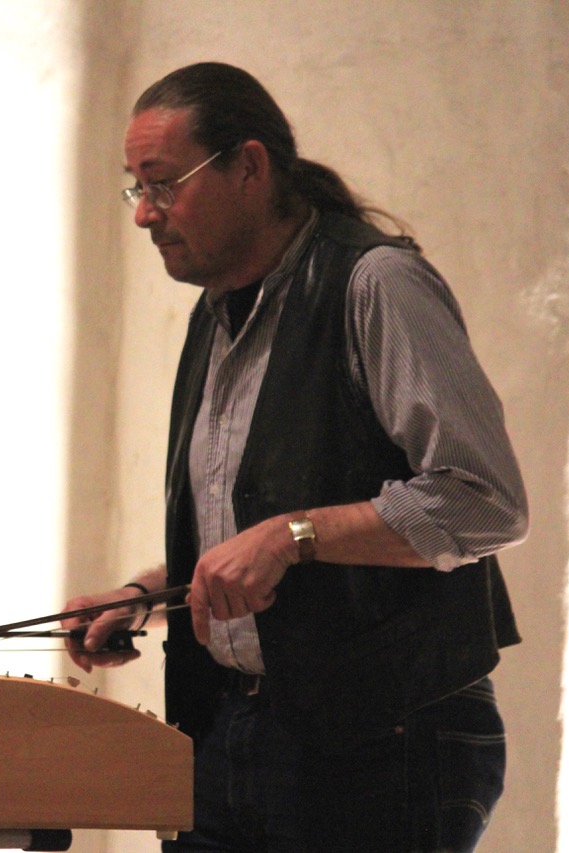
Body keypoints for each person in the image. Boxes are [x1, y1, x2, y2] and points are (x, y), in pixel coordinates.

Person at [62, 62, 527, 853]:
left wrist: (294, 535)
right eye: (135, 187)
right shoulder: (213, 316)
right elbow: (251, 512)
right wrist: (154, 589)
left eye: (164, 184)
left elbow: (484, 499)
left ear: (249, 166)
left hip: (386, 739)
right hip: (232, 728)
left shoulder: (376, 283)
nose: (145, 214)